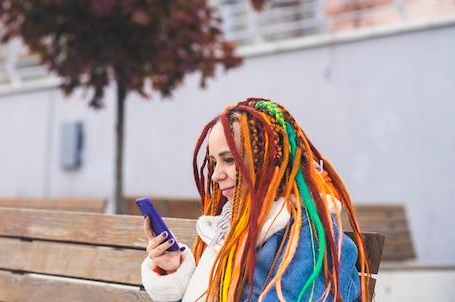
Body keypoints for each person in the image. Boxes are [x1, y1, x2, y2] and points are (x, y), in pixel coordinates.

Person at [140, 98, 371, 301]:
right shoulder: (229, 228)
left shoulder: (305, 237)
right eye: (213, 162)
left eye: (229, 160)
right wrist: (173, 269)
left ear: (267, 160)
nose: (216, 175)